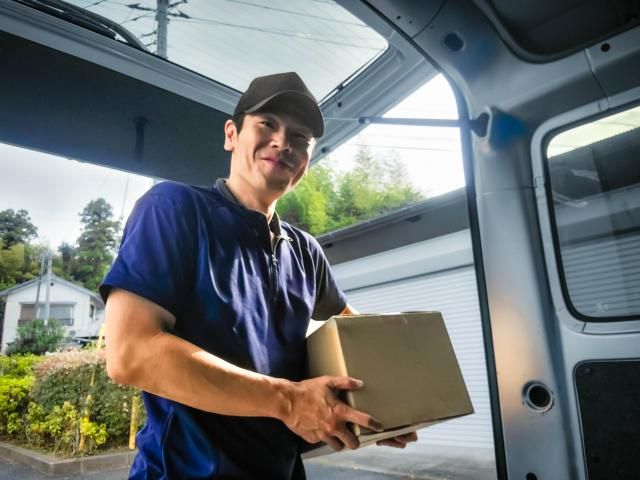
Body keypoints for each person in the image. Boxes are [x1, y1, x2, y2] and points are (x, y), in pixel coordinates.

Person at [102, 72, 417, 479]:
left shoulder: (305, 252)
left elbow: (359, 338)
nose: (283, 143)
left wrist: (386, 408)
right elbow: (130, 354)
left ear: (305, 162)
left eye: (300, 138)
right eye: (267, 124)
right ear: (231, 135)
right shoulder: (174, 209)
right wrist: (289, 401)